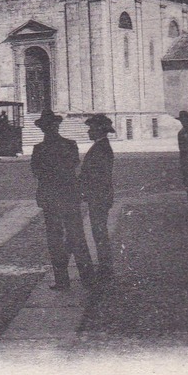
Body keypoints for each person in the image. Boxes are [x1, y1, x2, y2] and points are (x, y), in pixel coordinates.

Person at [31, 109, 94, 291]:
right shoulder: (70, 144)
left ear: (44, 129)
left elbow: (37, 172)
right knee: (76, 235)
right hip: (68, 195)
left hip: (50, 196)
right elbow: (74, 164)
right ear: (55, 127)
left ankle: (62, 280)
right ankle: (87, 277)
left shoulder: (39, 149)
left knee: (55, 238)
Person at [80, 114, 116, 282]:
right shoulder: (101, 146)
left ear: (98, 130)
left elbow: (96, 175)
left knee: (99, 230)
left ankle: (106, 266)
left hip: (99, 195)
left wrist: (82, 187)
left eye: (91, 129)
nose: (88, 132)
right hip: (99, 195)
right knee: (99, 230)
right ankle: (104, 264)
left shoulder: (100, 148)